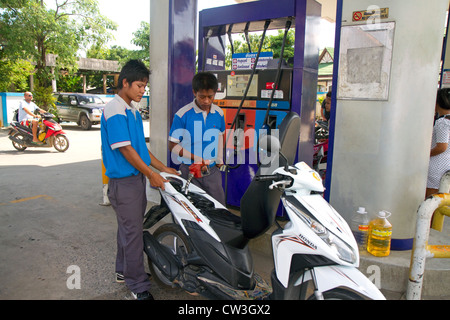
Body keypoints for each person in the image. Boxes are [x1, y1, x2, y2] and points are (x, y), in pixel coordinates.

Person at [101, 59, 179, 300]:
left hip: (134, 182)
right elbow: (125, 150)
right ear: (125, 82)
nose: (141, 90)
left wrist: (163, 168)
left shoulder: (131, 111)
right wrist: (151, 174)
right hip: (124, 184)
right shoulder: (115, 110)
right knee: (133, 232)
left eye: (144, 86)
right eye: (138, 85)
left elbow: (141, 151)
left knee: (128, 229)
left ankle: (123, 271)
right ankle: (137, 287)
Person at [169, 72, 226, 205]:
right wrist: (196, 158)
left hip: (212, 171)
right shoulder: (182, 115)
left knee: (219, 207)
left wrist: (219, 157)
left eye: (210, 97)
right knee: (191, 209)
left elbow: (220, 135)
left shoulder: (219, 113)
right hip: (189, 171)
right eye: (202, 97)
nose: (206, 101)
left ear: (215, 93)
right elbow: (173, 145)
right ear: (194, 92)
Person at [426, 88, 450, 198]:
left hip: (437, 167)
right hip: (446, 165)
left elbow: (442, 147)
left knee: (431, 200)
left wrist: (425, 155)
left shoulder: (443, 122)